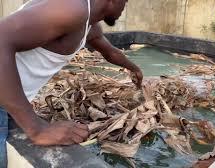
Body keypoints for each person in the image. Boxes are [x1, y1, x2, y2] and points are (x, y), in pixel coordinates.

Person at [0, 0, 143, 167]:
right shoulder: (72, 9)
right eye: (125, 1)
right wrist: (37, 128)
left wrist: (134, 69)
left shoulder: (88, 24)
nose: (125, 5)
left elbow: (110, 52)